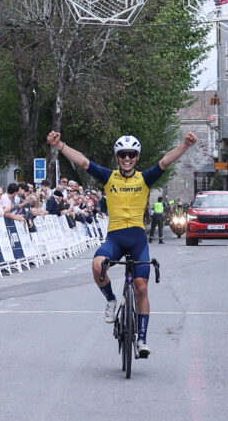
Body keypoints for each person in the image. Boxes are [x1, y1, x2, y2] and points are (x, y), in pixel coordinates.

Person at [47, 130, 198, 358]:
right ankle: (110, 299)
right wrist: (60, 145)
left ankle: (142, 339)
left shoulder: (145, 178)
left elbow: (166, 160)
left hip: (137, 239)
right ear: (118, 157)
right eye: (122, 155)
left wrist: (185, 145)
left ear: (137, 157)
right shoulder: (109, 177)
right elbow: (84, 162)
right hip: (115, 237)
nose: (127, 158)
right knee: (98, 266)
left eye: (131, 155)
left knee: (142, 287)